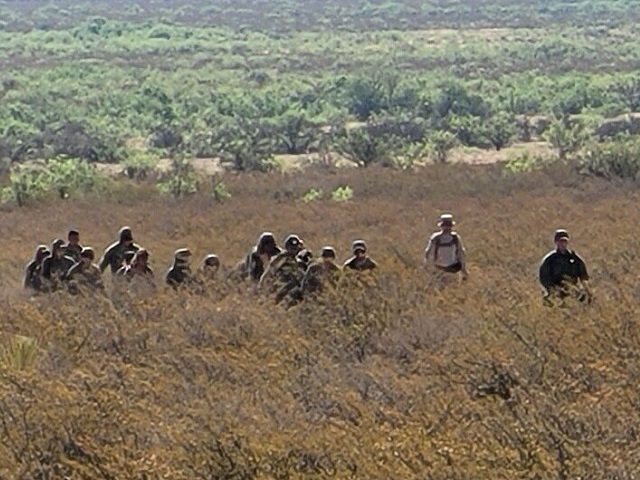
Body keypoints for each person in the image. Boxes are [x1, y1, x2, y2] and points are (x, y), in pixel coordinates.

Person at [539, 229, 591, 303]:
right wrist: (554, 290)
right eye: (560, 241)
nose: (563, 244)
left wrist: (587, 291)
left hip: (572, 291)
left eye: (565, 241)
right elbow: (544, 278)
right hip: (556, 293)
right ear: (556, 242)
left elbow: (583, 277)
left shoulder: (574, 258)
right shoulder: (549, 260)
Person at [259, 234, 305, 303]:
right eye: (292, 248)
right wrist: (261, 285)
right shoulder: (281, 258)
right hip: (282, 289)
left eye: (296, 247)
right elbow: (269, 272)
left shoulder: (298, 260)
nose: (294, 250)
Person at [424, 213, 468, 280]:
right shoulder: (435, 238)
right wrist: (428, 267)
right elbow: (428, 253)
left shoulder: (455, 238)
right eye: (445, 225)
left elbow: (461, 253)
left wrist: (463, 269)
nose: (447, 227)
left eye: (448, 225)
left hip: (452, 270)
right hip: (439, 269)